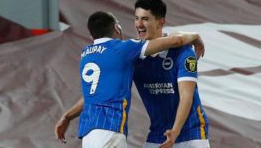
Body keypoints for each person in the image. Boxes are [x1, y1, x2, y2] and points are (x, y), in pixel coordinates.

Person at [55, 11, 204, 147]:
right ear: (116, 28)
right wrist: (195, 36)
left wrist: (67, 116)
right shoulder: (123, 48)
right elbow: (175, 41)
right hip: (110, 128)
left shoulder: (86, 54)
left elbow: (93, 96)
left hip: (88, 132)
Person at [133, 0, 210, 148]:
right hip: (158, 135)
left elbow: (186, 96)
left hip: (191, 134)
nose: (139, 24)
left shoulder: (184, 52)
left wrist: (175, 131)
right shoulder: (133, 54)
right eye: (136, 18)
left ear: (161, 22)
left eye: (145, 19)